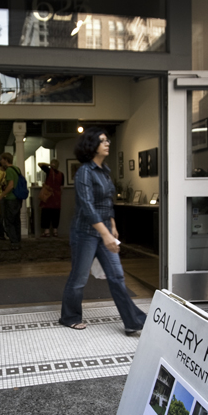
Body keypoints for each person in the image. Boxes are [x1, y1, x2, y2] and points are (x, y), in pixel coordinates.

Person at [60, 127, 147, 334]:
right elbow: (87, 207)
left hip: (104, 230)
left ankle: (132, 321)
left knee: (117, 276)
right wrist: (105, 233)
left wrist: (112, 226)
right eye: (102, 141)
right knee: (79, 278)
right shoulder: (84, 172)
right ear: (92, 146)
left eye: (107, 140)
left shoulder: (105, 171)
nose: (107, 143)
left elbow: (107, 202)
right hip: (85, 233)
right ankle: (69, 316)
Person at [0, 152, 22, 250]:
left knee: (9, 222)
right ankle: (17, 240)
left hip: (11, 198)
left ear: (6, 160)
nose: (0, 161)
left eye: (2, 159)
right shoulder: (17, 169)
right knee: (16, 221)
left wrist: (2, 195)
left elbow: (10, 185)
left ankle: (14, 242)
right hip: (18, 198)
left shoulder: (9, 170)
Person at [38, 158, 64, 237]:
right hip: (57, 196)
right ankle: (55, 231)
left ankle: (47, 231)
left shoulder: (49, 171)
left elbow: (40, 164)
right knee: (56, 213)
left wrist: (49, 165)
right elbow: (62, 187)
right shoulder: (61, 174)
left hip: (48, 195)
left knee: (46, 213)